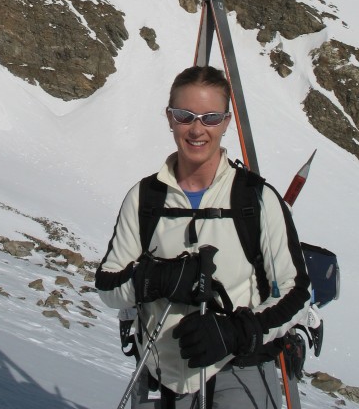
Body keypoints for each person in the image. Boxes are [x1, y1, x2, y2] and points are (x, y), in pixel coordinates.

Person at [95, 66, 311, 408]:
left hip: (239, 368)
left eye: (210, 118)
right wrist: (156, 280)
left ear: (226, 122)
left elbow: (295, 291)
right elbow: (108, 286)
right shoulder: (145, 199)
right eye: (185, 116)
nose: (197, 129)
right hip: (164, 375)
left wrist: (236, 332)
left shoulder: (254, 199)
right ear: (169, 118)